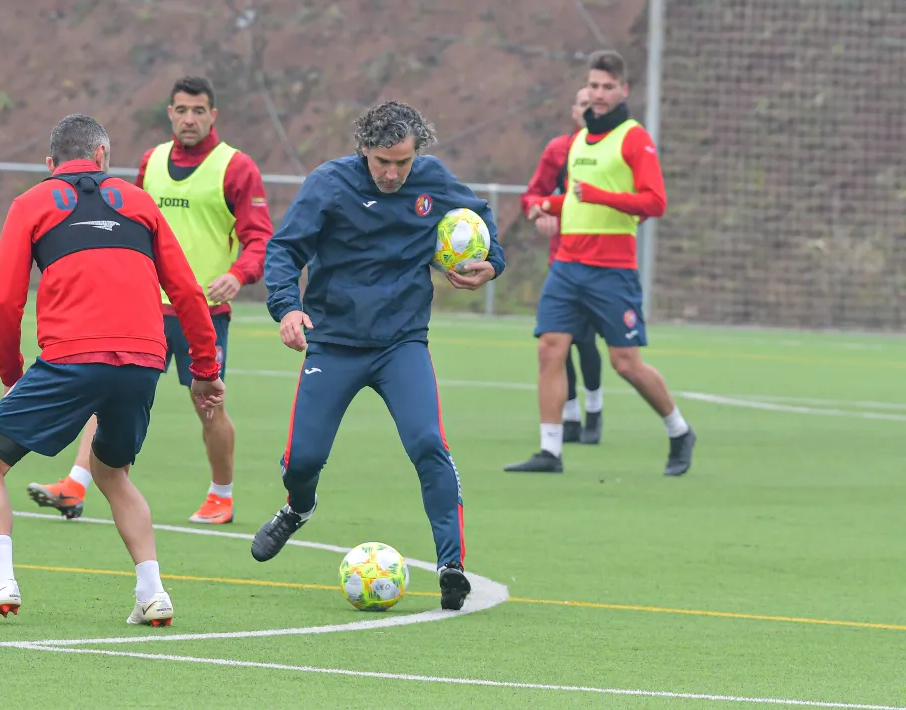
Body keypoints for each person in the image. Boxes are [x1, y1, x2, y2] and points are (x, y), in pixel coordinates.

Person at [0, 114, 225, 625]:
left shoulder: (32, 203)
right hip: (143, 360)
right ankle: (153, 593)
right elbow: (187, 292)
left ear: (50, 165)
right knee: (112, 472)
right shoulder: (140, 202)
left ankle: (1, 582)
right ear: (102, 157)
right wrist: (205, 368)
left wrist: (12, 374)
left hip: (71, 358)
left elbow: (2, 298)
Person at [250, 101, 506, 612]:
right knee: (302, 460)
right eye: (382, 162)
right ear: (363, 149)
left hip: (401, 343)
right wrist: (287, 308)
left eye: (402, 163)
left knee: (429, 443)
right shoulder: (328, 184)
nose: (393, 174)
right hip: (334, 343)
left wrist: (491, 263)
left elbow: (478, 215)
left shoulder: (431, 179)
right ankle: (299, 507)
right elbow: (283, 250)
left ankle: (450, 566)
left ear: (417, 155)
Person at [26, 76, 272, 525]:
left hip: (203, 311)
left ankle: (221, 495)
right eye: (181, 110)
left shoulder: (235, 167)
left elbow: (258, 237)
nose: (190, 119)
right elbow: (123, 220)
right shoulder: (151, 161)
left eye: (199, 111)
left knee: (208, 402)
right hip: (144, 310)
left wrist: (238, 275)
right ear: (170, 113)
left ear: (213, 115)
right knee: (107, 390)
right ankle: (75, 485)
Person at [503, 50, 696, 475]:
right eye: (594, 86)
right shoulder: (578, 142)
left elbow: (655, 201)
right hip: (568, 265)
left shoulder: (633, 137)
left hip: (613, 269)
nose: (600, 93)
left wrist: (601, 197)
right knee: (550, 348)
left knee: (625, 363)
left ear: (623, 90)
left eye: (608, 87)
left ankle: (679, 430)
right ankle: (550, 450)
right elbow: (575, 199)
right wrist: (545, 207)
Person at [518, 86, 605, 447]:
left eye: (594, 105)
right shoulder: (559, 150)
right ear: (573, 111)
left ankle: (595, 409)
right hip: (563, 258)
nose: (588, 111)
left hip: (600, 259)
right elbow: (533, 195)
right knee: (559, 339)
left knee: (586, 340)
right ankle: (569, 413)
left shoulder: (613, 151)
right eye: (582, 104)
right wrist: (540, 212)